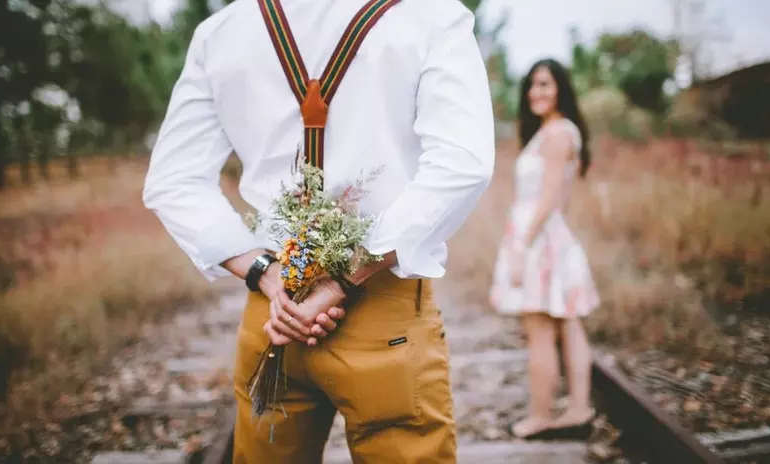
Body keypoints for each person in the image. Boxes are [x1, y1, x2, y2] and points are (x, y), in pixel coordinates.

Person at [143, 0, 495, 462]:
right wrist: (340, 280)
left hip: (275, 313)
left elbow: (174, 180)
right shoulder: (431, 16)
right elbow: (462, 165)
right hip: (381, 306)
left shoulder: (221, 33)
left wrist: (267, 275)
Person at [489, 58, 600, 441]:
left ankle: (540, 416)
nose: (536, 92)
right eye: (532, 86)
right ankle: (578, 409)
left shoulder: (556, 135)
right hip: (547, 236)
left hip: (537, 239)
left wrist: (522, 246)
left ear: (560, 90)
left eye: (545, 85)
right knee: (568, 325)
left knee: (539, 330)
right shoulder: (556, 131)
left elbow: (551, 197)